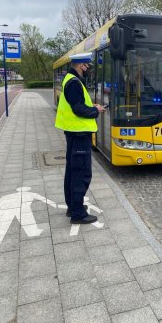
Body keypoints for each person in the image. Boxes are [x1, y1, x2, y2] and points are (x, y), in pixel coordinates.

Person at [55, 53, 106, 224]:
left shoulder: (70, 79)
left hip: (74, 133)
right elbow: (78, 109)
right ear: (81, 65)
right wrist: (96, 111)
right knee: (81, 173)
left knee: (72, 171)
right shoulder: (75, 82)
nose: (88, 68)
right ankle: (78, 213)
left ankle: (72, 207)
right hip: (79, 134)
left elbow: (76, 104)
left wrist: (92, 106)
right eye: (87, 65)